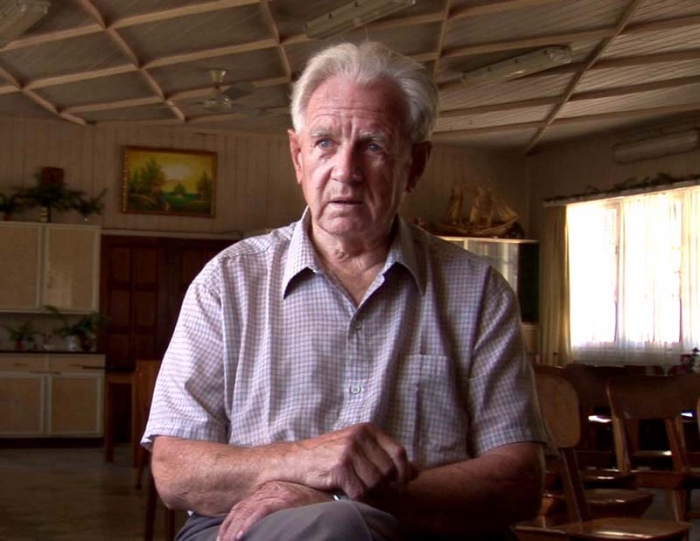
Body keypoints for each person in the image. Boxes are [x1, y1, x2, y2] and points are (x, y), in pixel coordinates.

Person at [142, 40, 548, 541]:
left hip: (426, 525)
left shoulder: (479, 292)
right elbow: (174, 471)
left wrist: (344, 499)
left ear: (415, 165)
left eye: (373, 146)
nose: (345, 172)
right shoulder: (228, 282)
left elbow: (519, 482)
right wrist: (305, 464)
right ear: (298, 156)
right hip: (250, 524)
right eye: (325, 143)